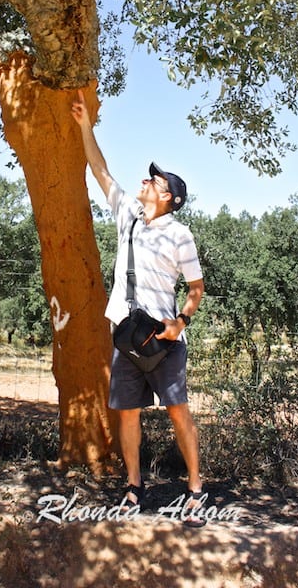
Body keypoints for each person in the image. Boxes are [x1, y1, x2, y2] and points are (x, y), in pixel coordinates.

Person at [71, 90, 206, 526]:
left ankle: (195, 488)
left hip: (164, 341)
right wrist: (84, 126)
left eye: (155, 182)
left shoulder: (180, 235)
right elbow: (100, 170)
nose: (145, 183)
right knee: (128, 413)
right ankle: (133, 486)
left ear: (169, 198)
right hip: (126, 336)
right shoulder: (127, 213)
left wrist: (179, 323)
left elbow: (196, 288)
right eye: (148, 180)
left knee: (177, 411)